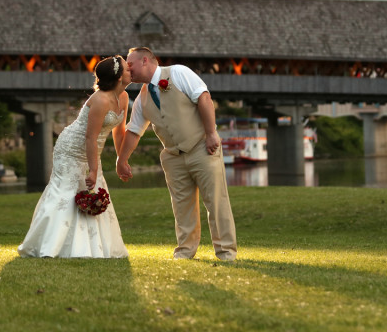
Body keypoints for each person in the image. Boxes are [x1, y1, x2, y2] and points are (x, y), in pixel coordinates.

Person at [117, 47, 237, 261]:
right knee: (182, 208)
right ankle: (185, 251)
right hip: (172, 157)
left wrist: (211, 134)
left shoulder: (179, 73)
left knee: (216, 202)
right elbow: (134, 131)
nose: (127, 68)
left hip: (203, 147)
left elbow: (204, 98)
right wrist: (122, 159)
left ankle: (226, 251)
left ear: (145, 60)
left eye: (130, 63)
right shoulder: (142, 98)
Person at [18, 56, 131, 258]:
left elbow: (119, 132)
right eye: (127, 68)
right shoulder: (100, 100)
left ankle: (92, 247)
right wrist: (94, 170)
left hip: (91, 150)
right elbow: (90, 137)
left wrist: (122, 159)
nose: (131, 70)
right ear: (119, 77)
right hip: (71, 149)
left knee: (94, 190)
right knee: (65, 193)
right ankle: (48, 246)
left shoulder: (122, 98)